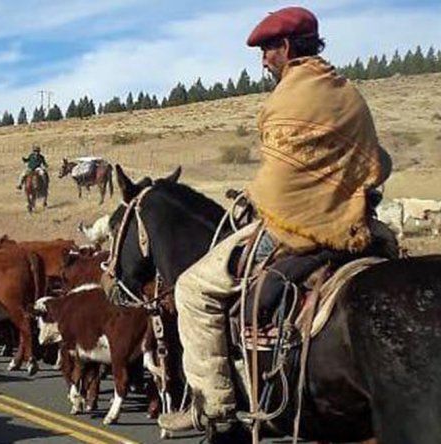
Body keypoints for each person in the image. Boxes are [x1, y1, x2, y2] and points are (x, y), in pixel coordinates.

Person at [157, 6, 393, 436]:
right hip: (359, 224)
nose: (264, 60)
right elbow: (379, 163)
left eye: (267, 50)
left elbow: (281, 181)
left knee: (193, 290)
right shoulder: (346, 91)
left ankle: (213, 405)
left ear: (284, 48)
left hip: (298, 228)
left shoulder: (286, 98)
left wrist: (259, 196)